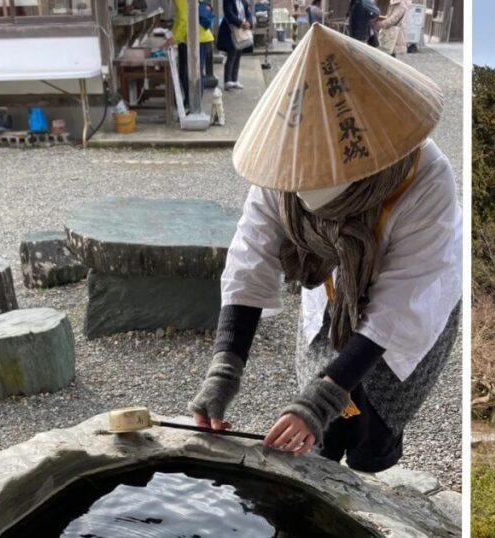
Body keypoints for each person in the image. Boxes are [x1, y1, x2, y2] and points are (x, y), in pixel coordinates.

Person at [189, 23, 461, 474]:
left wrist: (326, 397)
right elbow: (251, 256)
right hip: (336, 292)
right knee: (319, 408)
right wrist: (224, 370)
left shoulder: (426, 177)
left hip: (413, 300)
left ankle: (370, 477)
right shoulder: (285, 163)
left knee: (374, 420)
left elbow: (401, 303)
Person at [172, 0, 215, 109]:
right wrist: (173, 35)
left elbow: (183, 19)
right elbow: (179, 19)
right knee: (185, 72)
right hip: (190, 38)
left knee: (193, 72)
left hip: (197, 38)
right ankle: (189, 102)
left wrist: (174, 38)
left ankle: (195, 105)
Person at [218, 0, 254, 90]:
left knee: (238, 55)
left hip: (241, 32)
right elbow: (229, 14)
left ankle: (235, 80)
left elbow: (248, 14)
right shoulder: (228, 1)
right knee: (232, 54)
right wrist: (240, 23)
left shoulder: (243, 1)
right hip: (230, 32)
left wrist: (248, 22)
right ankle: (227, 80)